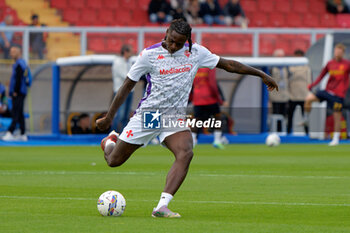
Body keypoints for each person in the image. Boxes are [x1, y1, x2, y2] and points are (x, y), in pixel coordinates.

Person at [96, 19, 278, 218]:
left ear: (187, 41)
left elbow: (229, 65)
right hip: (150, 115)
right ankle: (110, 142)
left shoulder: (196, 52)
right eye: (172, 40)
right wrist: (109, 117)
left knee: (186, 152)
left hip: (174, 116)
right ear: (167, 33)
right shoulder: (149, 55)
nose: (174, 46)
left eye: (179, 43)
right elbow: (126, 87)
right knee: (114, 161)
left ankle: (161, 207)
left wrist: (261, 74)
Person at [304, 43, 350, 146]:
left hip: (339, 95)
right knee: (308, 99)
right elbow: (321, 76)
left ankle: (336, 139)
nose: (337, 53)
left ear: (343, 53)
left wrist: (345, 87)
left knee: (337, 116)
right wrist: (313, 85)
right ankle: (306, 119)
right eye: (336, 51)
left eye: (339, 51)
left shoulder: (347, 64)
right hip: (327, 92)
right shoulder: (330, 63)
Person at [190, 68, 225, 149]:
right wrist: (219, 99)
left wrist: (191, 98)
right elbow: (212, 83)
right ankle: (217, 141)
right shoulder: (210, 67)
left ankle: (193, 141)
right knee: (217, 118)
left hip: (197, 98)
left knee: (196, 120)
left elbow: (190, 84)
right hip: (210, 98)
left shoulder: (194, 68)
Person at [2, 45, 31, 141]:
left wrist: (15, 91)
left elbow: (18, 79)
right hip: (21, 92)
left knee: (15, 112)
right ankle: (23, 133)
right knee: (20, 113)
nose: (11, 54)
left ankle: (10, 132)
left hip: (18, 93)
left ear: (18, 52)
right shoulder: (21, 63)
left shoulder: (19, 64)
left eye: (13, 52)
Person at [111, 44, 137, 133]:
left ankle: (123, 136)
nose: (132, 53)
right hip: (121, 92)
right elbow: (126, 76)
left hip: (130, 91)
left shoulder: (129, 62)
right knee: (120, 115)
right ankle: (113, 134)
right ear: (125, 52)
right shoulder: (117, 62)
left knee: (126, 116)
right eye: (130, 51)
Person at [287, 49, 312, 135]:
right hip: (292, 95)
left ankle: (307, 133)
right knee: (290, 116)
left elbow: (309, 82)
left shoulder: (307, 68)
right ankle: (288, 132)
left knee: (305, 116)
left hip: (304, 96)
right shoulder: (290, 67)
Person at [269, 49, 289, 131]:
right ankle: (275, 131)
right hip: (275, 96)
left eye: (282, 56)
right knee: (276, 115)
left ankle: (283, 131)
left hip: (284, 96)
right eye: (279, 56)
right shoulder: (271, 68)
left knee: (284, 115)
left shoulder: (286, 68)